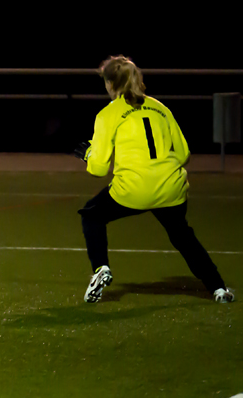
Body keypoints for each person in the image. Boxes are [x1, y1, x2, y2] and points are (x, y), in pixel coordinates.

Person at [73, 55, 234, 303]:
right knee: (182, 236)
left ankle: (101, 269)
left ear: (110, 84)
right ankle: (218, 288)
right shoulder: (161, 108)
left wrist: (88, 154)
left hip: (133, 190)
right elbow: (183, 154)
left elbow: (98, 168)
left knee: (92, 215)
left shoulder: (108, 114)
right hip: (171, 187)